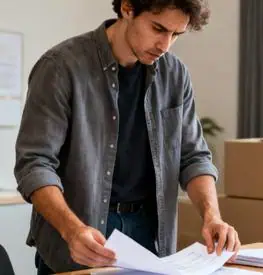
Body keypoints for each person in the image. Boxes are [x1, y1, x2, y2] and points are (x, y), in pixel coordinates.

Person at [14, 1, 240, 273]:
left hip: (149, 232)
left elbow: (194, 157)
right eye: (158, 28)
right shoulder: (61, 67)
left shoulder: (175, 74)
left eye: (176, 35)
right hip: (79, 231)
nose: (165, 45)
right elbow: (35, 164)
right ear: (127, 8)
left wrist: (212, 217)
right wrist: (72, 230)